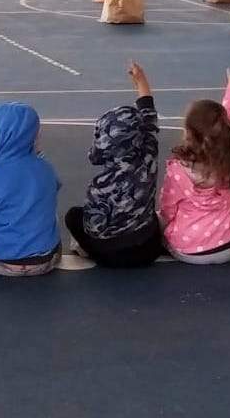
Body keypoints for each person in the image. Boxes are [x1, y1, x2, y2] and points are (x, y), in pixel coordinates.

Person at [65, 61, 163, 268]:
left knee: (74, 216)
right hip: (149, 248)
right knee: (153, 217)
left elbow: (95, 229)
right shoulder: (148, 159)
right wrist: (141, 82)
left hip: (115, 256)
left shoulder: (100, 186)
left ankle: (82, 250)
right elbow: (149, 118)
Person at [159, 70, 230, 265]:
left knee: (155, 221)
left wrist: (163, 227)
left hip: (190, 251)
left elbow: (168, 208)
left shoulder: (179, 170)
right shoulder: (229, 154)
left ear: (189, 134)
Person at [0, 101, 61, 276]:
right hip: (47, 261)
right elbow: (55, 188)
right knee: (50, 217)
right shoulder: (47, 168)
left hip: (3, 263)